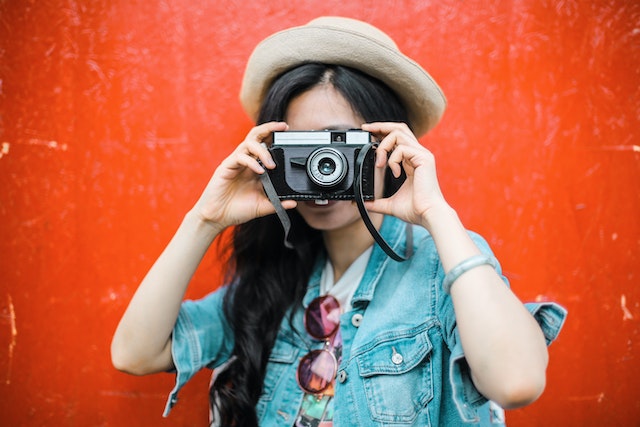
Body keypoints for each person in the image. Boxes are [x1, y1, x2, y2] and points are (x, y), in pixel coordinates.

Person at [111, 16, 567, 426]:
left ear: (389, 147)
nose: (322, 169)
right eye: (303, 151)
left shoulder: (443, 266)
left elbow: (517, 383)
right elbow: (134, 353)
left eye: (341, 148)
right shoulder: (274, 279)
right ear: (273, 156)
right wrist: (205, 219)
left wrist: (436, 214)